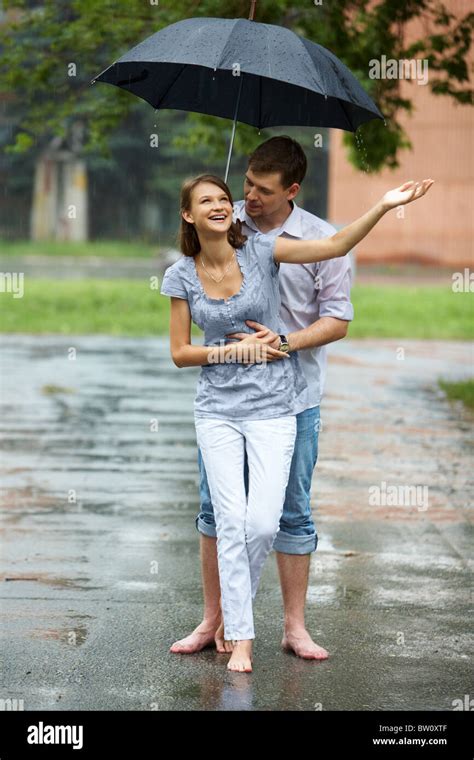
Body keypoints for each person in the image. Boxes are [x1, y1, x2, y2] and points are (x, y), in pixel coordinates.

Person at [160, 169, 433, 672]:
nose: (222, 204)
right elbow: (179, 353)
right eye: (208, 200)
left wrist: (384, 205)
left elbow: (333, 246)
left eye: (225, 198)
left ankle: (239, 616)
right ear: (188, 215)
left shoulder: (263, 252)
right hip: (216, 412)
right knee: (229, 521)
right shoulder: (180, 274)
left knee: (263, 524)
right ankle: (240, 636)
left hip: (274, 407)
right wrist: (232, 352)